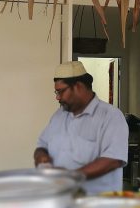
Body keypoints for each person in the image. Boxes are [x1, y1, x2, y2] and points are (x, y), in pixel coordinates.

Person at [33, 61, 128, 194]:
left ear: (78, 86)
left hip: (99, 206)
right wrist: (42, 158)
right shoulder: (59, 115)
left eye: (61, 91)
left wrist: (70, 177)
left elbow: (113, 160)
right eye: (56, 92)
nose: (57, 97)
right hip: (62, 200)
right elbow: (42, 145)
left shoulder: (110, 116)